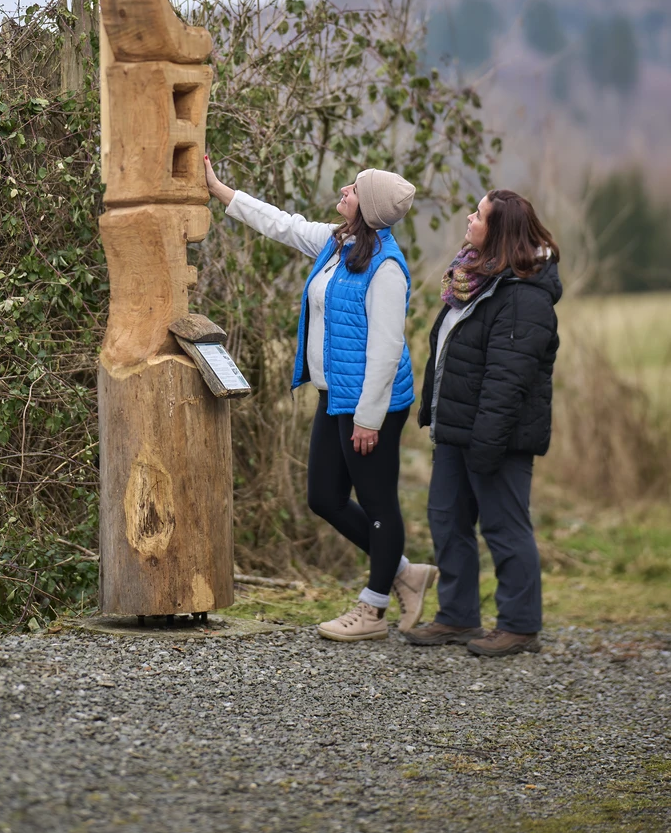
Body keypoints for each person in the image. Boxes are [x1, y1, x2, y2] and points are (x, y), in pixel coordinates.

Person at [204, 155, 438, 642]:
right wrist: (221, 191)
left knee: (377, 504)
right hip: (336, 395)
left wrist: (370, 419)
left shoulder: (387, 269)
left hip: (372, 406)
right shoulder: (338, 245)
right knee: (324, 497)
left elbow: (387, 349)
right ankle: (404, 573)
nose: (344, 190)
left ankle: (372, 611)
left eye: (353, 188)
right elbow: (283, 226)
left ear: (367, 207)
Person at [404, 189, 561, 658]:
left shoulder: (525, 297)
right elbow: (452, 355)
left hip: (498, 436)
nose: (469, 218)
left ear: (499, 232)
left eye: (479, 214)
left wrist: (487, 444)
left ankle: (519, 625)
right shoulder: (474, 281)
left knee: (504, 526)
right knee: (447, 520)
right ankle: (457, 616)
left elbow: (507, 380)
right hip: (457, 429)